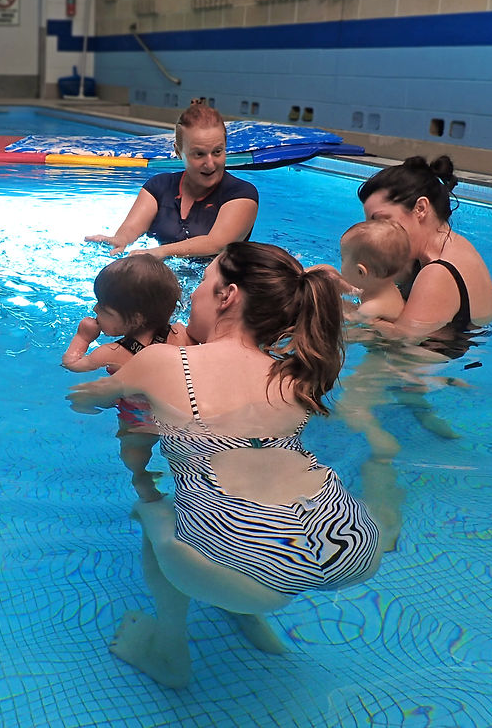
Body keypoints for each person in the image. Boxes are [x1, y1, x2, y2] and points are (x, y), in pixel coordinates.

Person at [68, 242, 383, 688]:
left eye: (202, 283)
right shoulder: (295, 373)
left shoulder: (160, 360)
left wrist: (107, 380)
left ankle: (169, 650)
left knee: (154, 508)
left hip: (241, 563)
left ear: (227, 295)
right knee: (243, 492)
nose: (193, 295)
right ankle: (247, 611)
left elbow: (85, 401)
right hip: (350, 540)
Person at [62, 254, 191, 500]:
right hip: (181, 413)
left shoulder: (112, 352)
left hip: (140, 417)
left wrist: (82, 337)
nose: (95, 309)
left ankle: (141, 478)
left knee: (133, 451)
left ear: (135, 319)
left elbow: (72, 365)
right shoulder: (183, 333)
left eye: (103, 307)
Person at [85, 104, 258, 258]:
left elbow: (217, 244)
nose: (210, 163)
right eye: (199, 154)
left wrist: (160, 252)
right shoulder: (159, 187)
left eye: (218, 152)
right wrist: (119, 240)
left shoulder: (241, 194)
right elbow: (131, 228)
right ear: (178, 151)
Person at [357, 155, 492, 347]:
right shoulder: (451, 246)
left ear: (420, 208)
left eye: (380, 220)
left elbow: (400, 343)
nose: (372, 232)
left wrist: (354, 317)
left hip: (435, 368)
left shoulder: (438, 272)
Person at [339, 219, 411, 323]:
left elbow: (351, 321)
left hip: (384, 338)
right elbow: (357, 291)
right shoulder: (382, 285)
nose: (341, 261)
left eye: (342, 258)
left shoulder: (371, 308)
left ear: (361, 272)